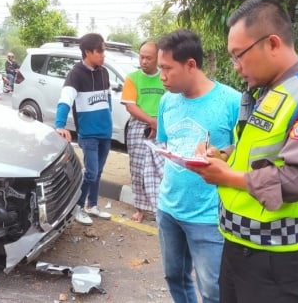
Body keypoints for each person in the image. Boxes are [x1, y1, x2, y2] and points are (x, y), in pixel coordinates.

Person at [190, 0, 298, 303]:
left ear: (273, 43)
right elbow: (255, 154)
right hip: (238, 245)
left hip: (276, 259)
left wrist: (226, 177)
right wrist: (222, 157)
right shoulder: (265, 91)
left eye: (239, 54)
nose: (235, 66)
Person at [155, 29, 241, 303]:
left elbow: (246, 150)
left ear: (191, 64)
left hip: (208, 215)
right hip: (169, 208)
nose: (162, 76)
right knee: (175, 278)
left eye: (167, 68)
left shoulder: (231, 102)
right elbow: (164, 143)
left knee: (213, 289)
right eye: (160, 68)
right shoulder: (167, 101)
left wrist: (223, 154)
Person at [54, 33, 113, 225]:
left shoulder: (104, 72)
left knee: (99, 172)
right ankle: (78, 207)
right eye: (100, 50)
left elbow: (108, 99)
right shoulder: (76, 74)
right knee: (91, 172)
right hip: (88, 134)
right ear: (88, 52)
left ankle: (92, 205)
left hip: (105, 132)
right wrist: (59, 125)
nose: (104, 54)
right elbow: (65, 101)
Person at [120, 41, 166, 223]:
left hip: (163, 127)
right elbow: (131, 106)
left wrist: (158, 124)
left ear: (157, 58)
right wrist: (151, 121)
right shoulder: (132, 78)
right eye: (142, 57)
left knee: (161, 170)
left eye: (149, 58)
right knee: (138, 169)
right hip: (139, 127)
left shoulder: (165, 77)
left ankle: (160, 208)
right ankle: (140, 209)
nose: (144, 61)